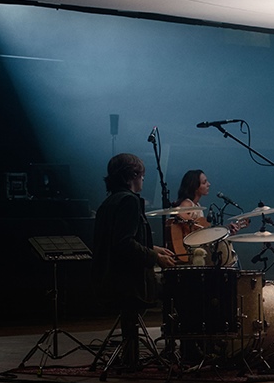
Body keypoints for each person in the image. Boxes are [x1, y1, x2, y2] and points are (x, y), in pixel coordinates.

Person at [92, 153, 177, 368]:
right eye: (142, 175)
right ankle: (177, 349)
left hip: (107, 278)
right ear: (133, 175)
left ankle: (130, 356)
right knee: (179, 288)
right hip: (128, 284)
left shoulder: (109, 202)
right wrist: (156, 258)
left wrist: (154, 249)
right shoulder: (129, 201)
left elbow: (122, 240)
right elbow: (124, 245)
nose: (143, 180)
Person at [168, 169, 245, 264]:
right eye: (204, 182)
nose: (209, 184)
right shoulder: (187, 203)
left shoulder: (197, 206)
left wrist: (225, 229)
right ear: (195, 187)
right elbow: (178, 216)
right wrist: (194, 226)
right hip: (188, 250)